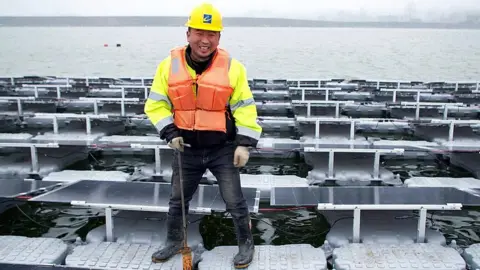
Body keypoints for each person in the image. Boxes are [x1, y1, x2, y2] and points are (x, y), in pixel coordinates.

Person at [144, 2, 262, 269]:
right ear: (188, 34)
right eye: (199, 32)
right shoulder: (167, 66)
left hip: (222, 149)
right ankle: (173, 241)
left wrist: (244, 145)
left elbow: (245, 107)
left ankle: (246, 244)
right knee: (178, 201)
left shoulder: (234, 68)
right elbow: (155, 104)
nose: (204, 40)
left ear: (219, 37)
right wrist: (169, 132)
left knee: (235, 201)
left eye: (211, 34)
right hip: (185, 148)